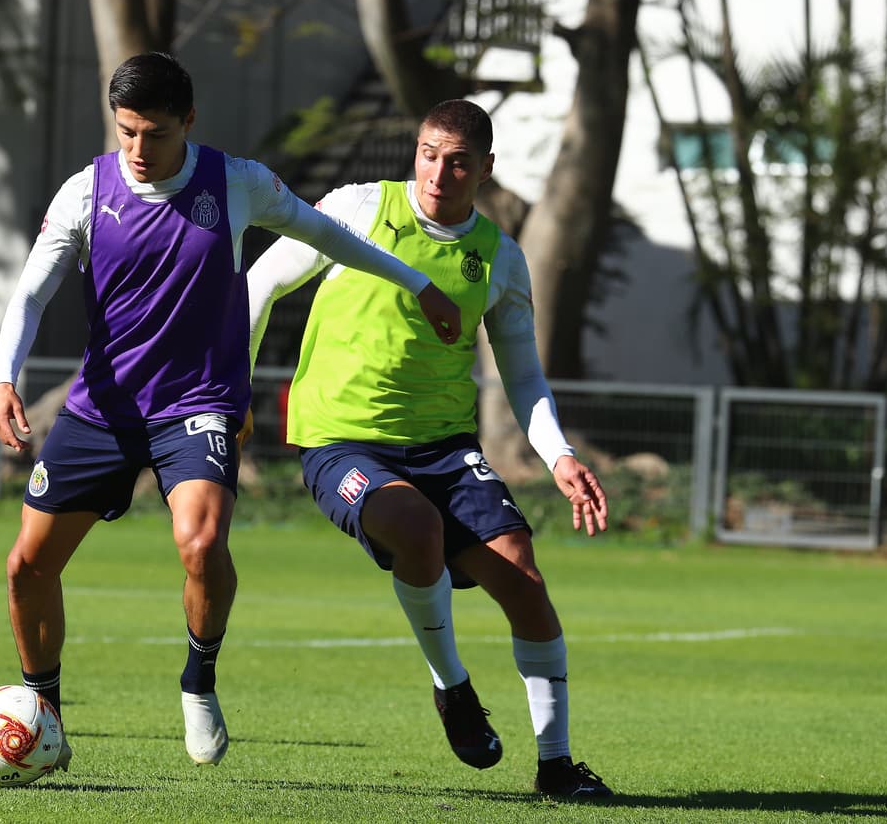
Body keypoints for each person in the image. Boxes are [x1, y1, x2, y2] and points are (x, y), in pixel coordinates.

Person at [0, 52, 462, 770]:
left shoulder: (235, 182)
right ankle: (41, 708)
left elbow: (327, 235)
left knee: (202, 542)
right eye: (127, 134)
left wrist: (418, 282)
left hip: (198, 403)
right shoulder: (86, 191)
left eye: (155, 134)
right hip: (103, 409)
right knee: (26, 566)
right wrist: (4, 377)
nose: (140, 151)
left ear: (189, 122)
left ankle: (199, 679)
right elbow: (30, 293)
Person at [245, 99, 613, 798]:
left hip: (444, 447)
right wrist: (232, 389)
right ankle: (454, 687)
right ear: (415, 151)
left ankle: (558, 765)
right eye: (428, 153)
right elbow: (260, 283)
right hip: (341, 439)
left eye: (459, 161)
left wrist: (559, 454)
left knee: (524, 580)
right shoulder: (357, 208)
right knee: (415, 525)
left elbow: (524, 377)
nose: (440, 173)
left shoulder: (500, 258)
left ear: (485, 168)